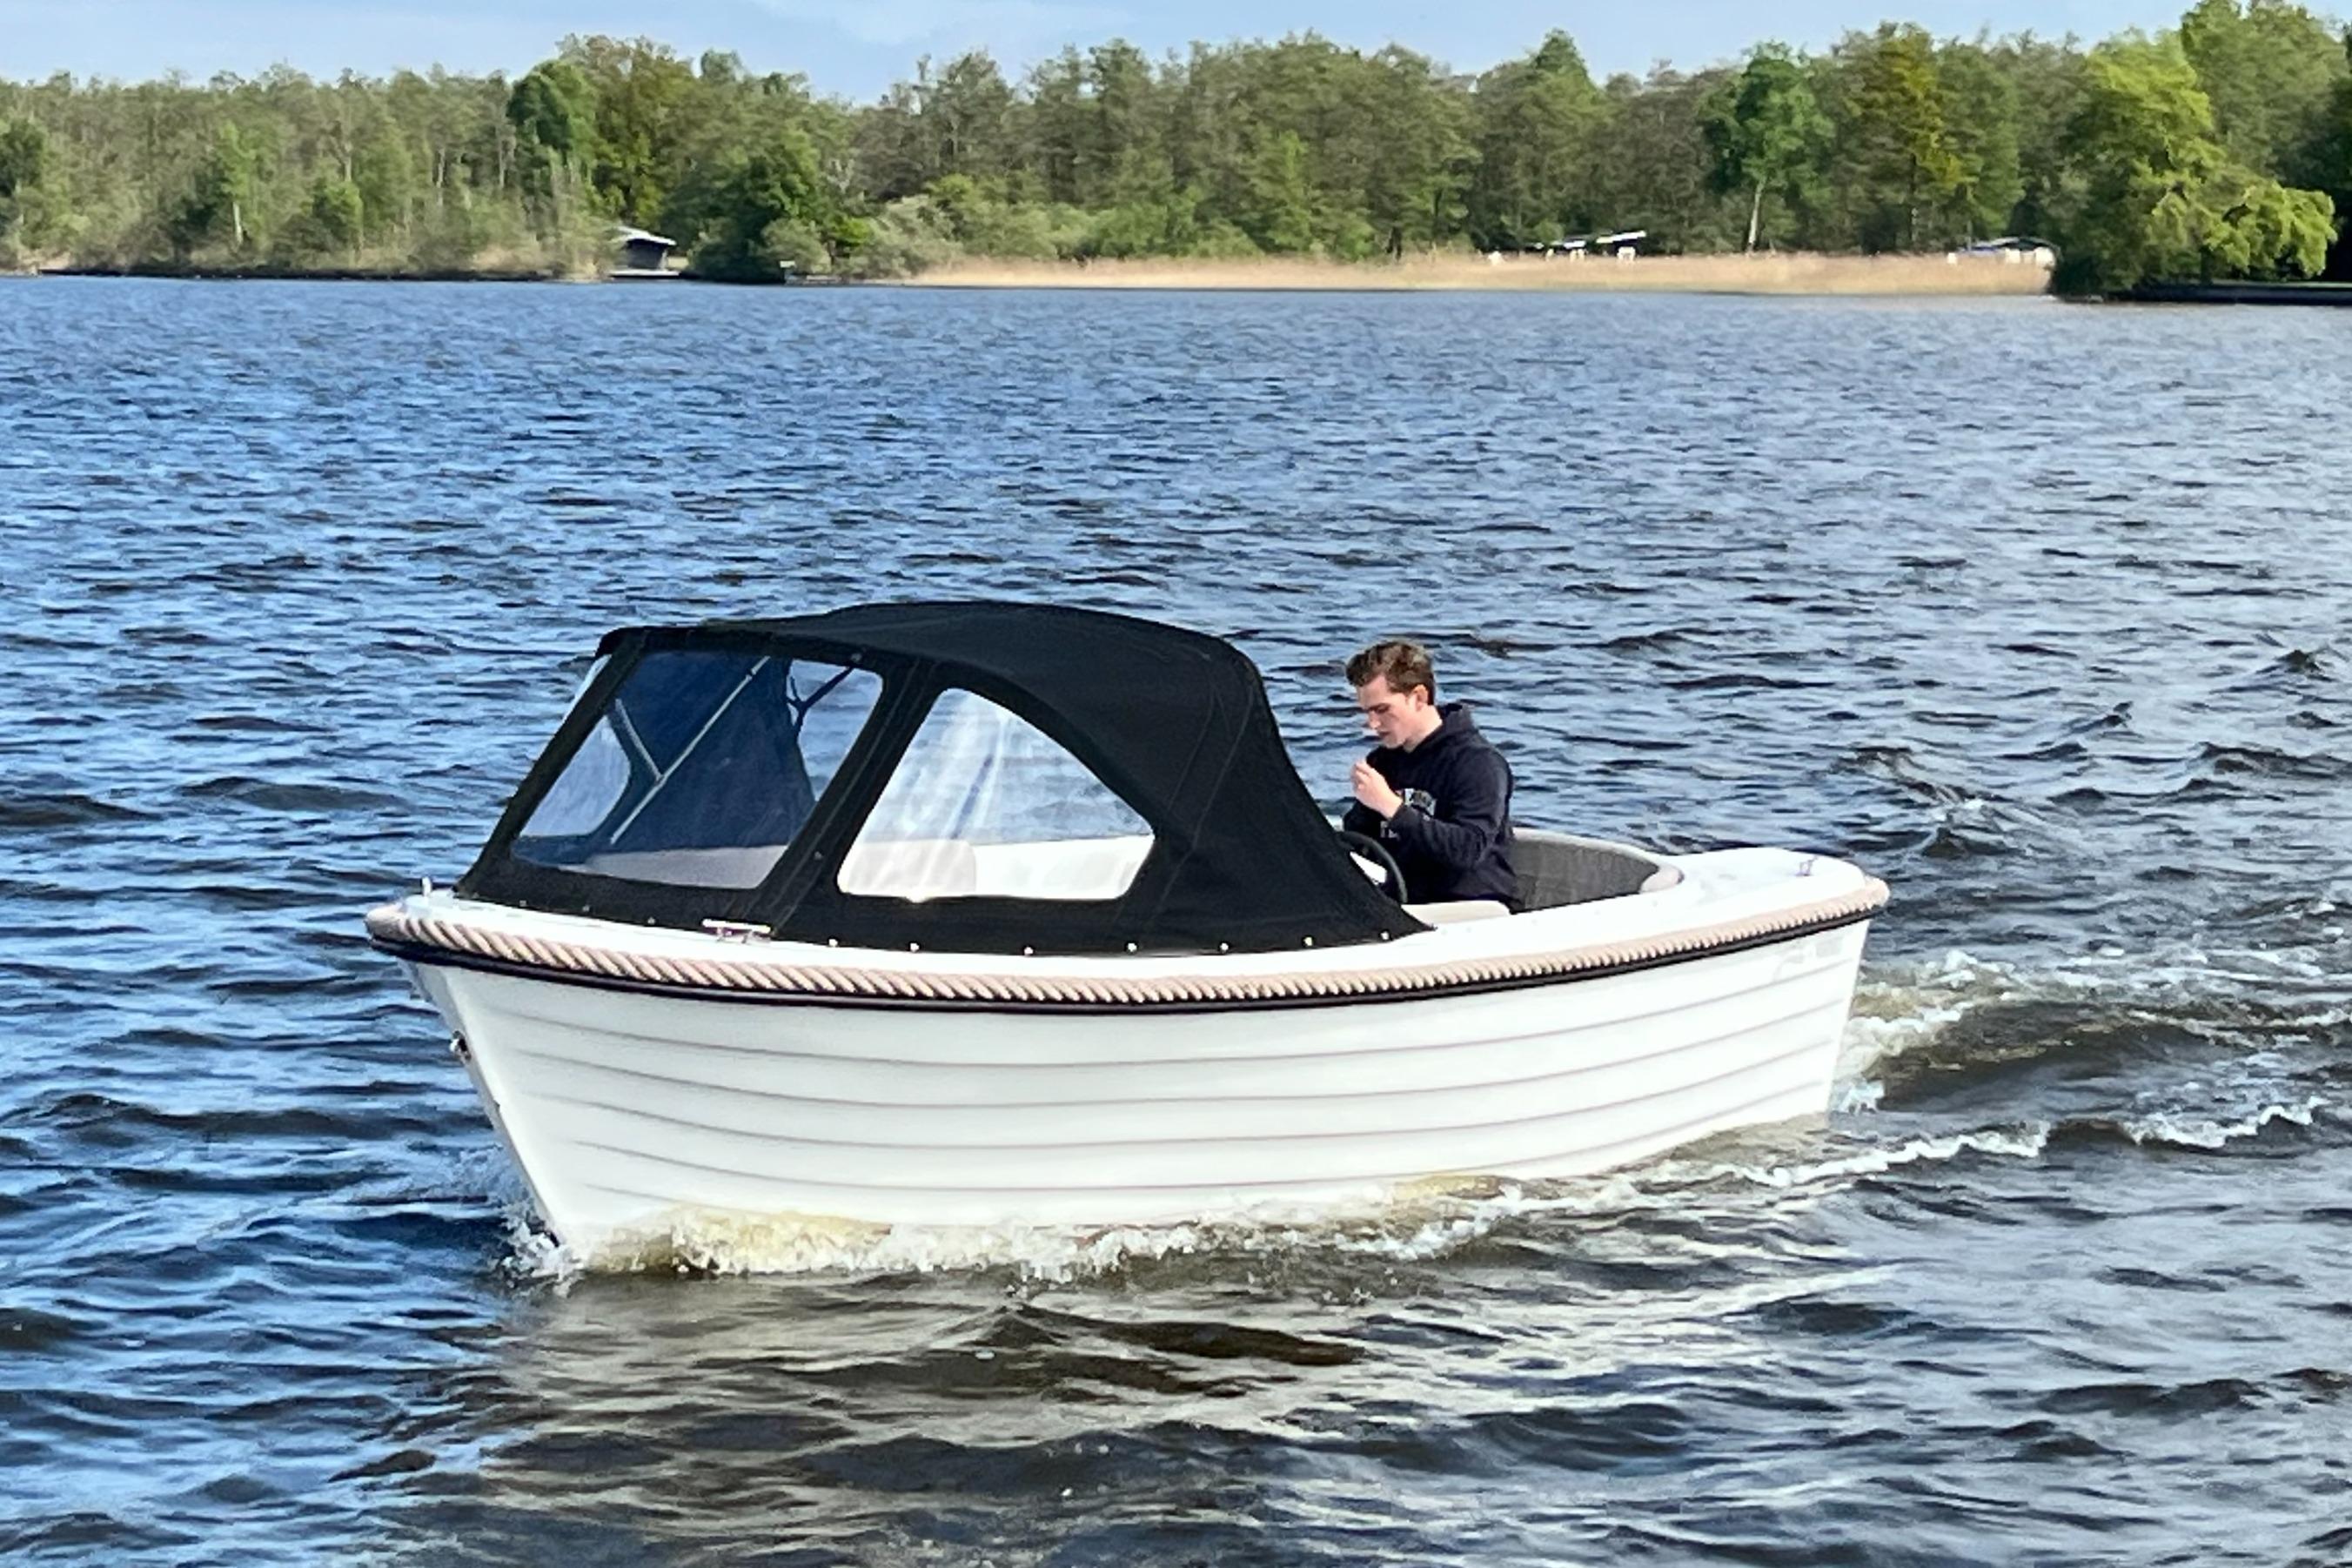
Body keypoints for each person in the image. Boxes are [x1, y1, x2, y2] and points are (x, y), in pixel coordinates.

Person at [1340, 640, 1518, 907]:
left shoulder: (1478, 763)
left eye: (1382, 710)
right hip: (1401, 905)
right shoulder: (1382, 762)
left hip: (1471, 908)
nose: (1373, 724)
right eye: (1367, 712)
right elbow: (1359, 840)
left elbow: (1468, 850)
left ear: (1419, 697)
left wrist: (1391, 807)